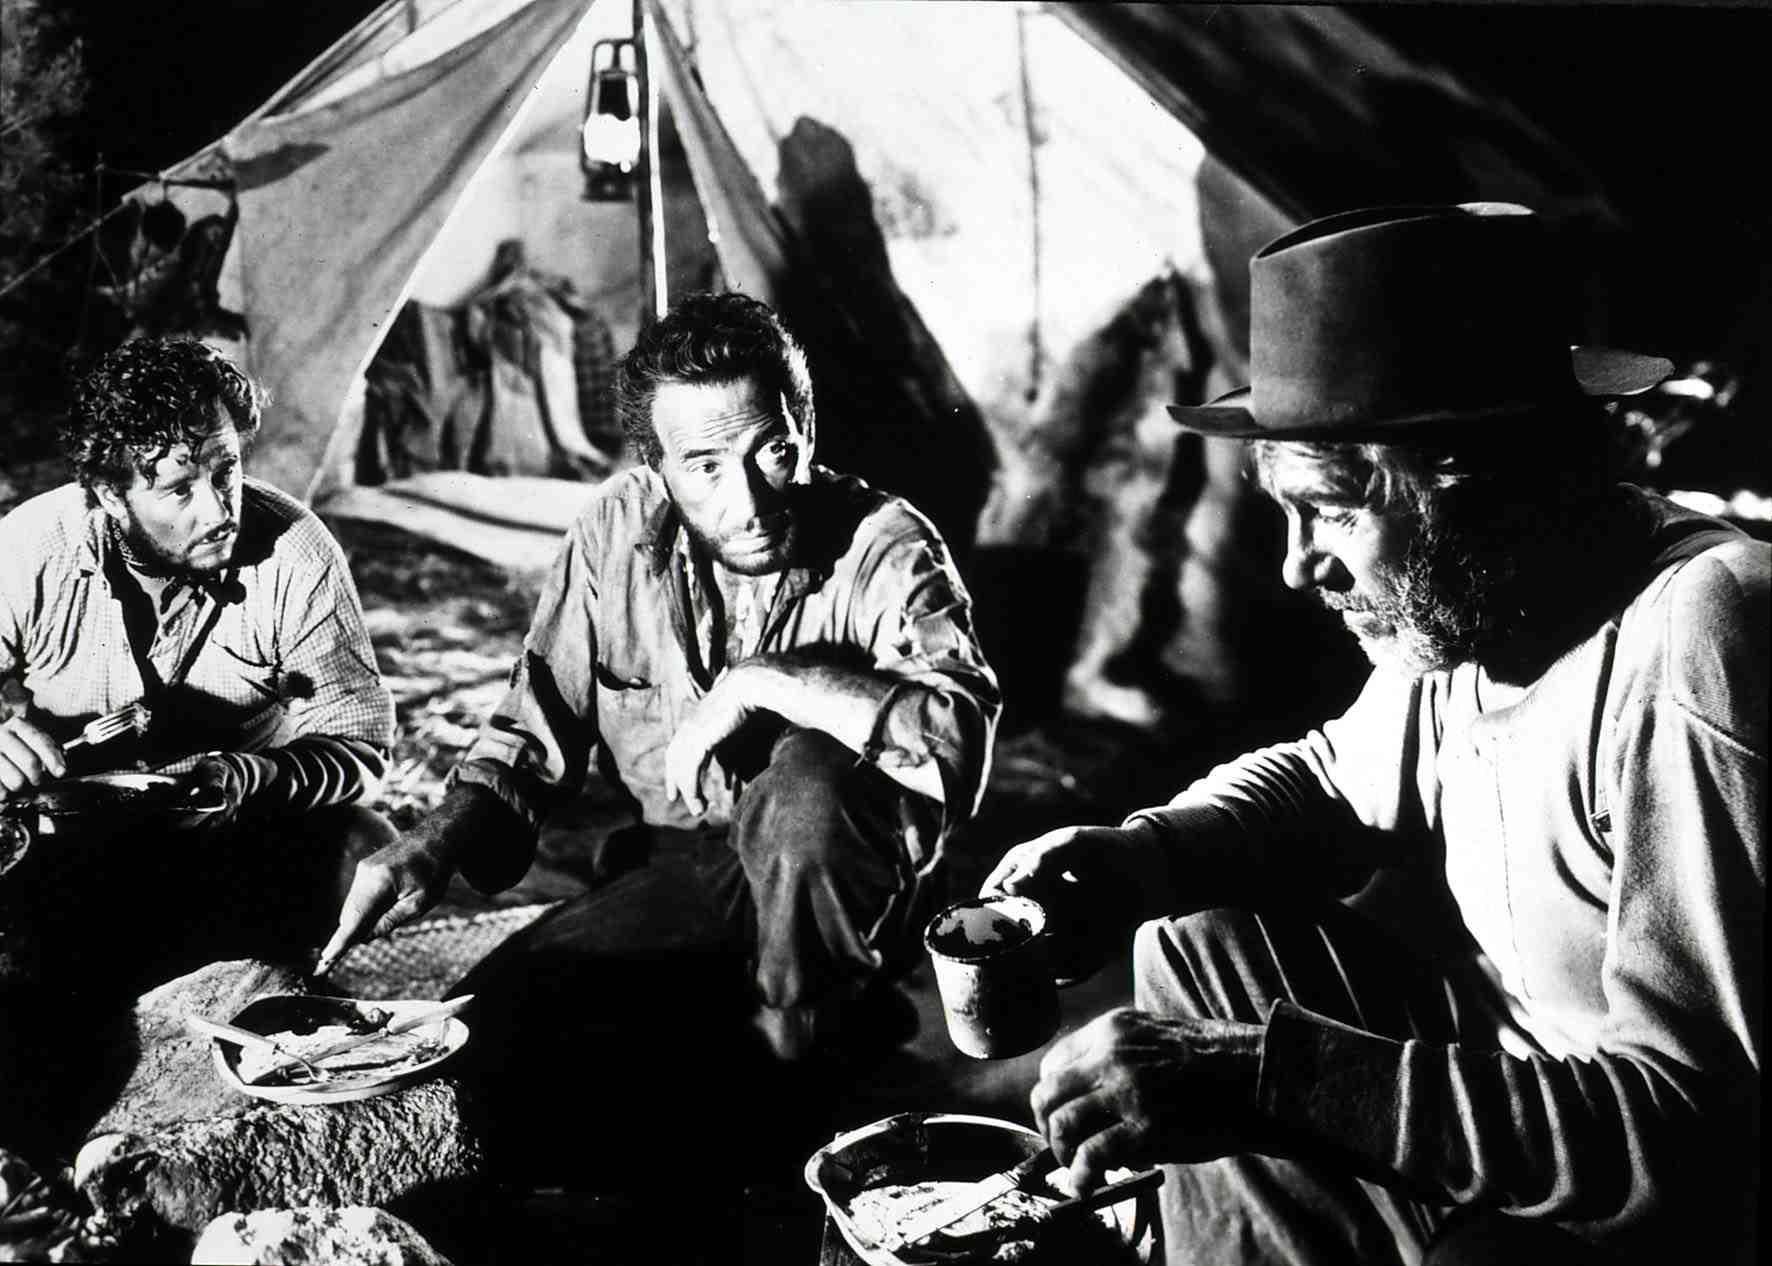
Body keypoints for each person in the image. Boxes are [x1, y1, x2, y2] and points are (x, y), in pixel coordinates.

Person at [983, 204, 1764, 1265]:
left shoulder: (1698, 639)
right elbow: (1329, 781)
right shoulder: (1487, 611)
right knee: (1192, 936)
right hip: (1520, 1086)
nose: (1299, 566)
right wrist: (1141, 855)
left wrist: (1264, 1079)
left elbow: (1694, 1134)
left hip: (1665, 1194)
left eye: (1331, 512)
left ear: (1471, 478)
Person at [321, 291, 1000, 1065]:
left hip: (844, 894)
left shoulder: (886, 543)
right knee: (490, 1035)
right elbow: (533, 727)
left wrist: (763, 682)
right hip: (689, 868)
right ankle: (745, 1023)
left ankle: (811, 1029)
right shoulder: (613, 530)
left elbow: (957, 741)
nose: (746, 504)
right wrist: (434, 843)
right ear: (656, 464)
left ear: (807, 428)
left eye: (773, 451)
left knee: (811, 781)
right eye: (704, 466)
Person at [0, 336, 397, 1149]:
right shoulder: (28, 548)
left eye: (224, 468)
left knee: (365, 851)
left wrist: (251, 774)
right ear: (110, 495)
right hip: (67, 841)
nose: (217, 507)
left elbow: (361, 743)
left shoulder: (295, 551)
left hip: (237, 831)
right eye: (179, 488)